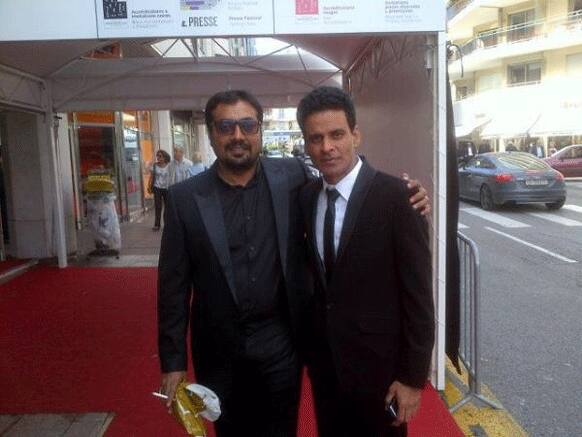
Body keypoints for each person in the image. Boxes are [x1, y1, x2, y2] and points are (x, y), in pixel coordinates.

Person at [157, 90, 430, 437]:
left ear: (260, 131)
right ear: (211, 133)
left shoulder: (289, 178)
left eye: (247, 125)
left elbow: (352, 177)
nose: (237, 135)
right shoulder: (184, 200)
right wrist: (173, 362)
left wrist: (408, 193)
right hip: (220, 352)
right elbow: (172, 287)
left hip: (283, 348)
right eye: (226, 126)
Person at [297, 86, 435, 437]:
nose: (327, 147)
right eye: (316, 138)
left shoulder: (399, 198)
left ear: (355, 135)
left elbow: (418, 298)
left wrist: (412, 378)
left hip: (382, 372)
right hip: (326, 368)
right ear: (306, 143)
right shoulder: (305, 196)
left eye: (337, 134)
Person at [148, 150, 171, 231]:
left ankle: (167, 224)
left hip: (166, 188)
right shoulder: (155, 165)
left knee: (168, 207)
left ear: (164, 157)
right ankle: (157, 225)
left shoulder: (169, 165)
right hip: (157, 187)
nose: (158, 158)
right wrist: (149, 185)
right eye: (157, 156)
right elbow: (151, 176)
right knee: (158, 206)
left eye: (160, 156)